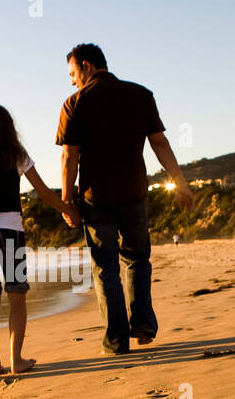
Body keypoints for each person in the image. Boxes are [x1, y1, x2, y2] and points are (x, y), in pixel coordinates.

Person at [56, 43, 194, 356]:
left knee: (105, 269)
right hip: (134, 192)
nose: (72, 80)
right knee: (137, 259)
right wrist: (180, 183)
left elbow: (69, 157)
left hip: (96, 198)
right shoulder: (140, 94)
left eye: (72, 72)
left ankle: (116, 341)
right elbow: (159, 142)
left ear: (87, 66)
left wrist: (67, 200)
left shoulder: (74, 103)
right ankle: (143, 326)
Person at [0, 105, 79, 377]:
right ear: (8, 128)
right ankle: (16, 360)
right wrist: (67, 209)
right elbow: (43, 191)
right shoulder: (16, 154)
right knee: (16, 295)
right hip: (9, 232)